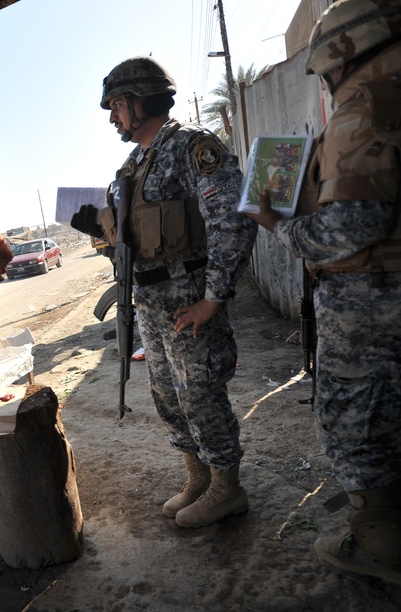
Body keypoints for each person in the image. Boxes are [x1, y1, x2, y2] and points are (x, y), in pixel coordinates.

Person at [246, 0, 401, 588]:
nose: (328, 82)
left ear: (348, 55)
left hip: (374, 306)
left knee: (355, 432)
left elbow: (349, 231)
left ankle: (385, 546)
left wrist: (280, 225)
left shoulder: (368, 108)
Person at [72, 57, 258, 528]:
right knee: (167, 398)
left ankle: (226, 487)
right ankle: (197, 476)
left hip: (189, 299)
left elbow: (231, 220)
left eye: (117, 105)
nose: (112, 116)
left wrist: (213, 298)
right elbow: (128, 236)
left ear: (143, 100)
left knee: (201, 394)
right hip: (151, 305)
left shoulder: (192, 147)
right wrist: (97, 223)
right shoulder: (129, 166)